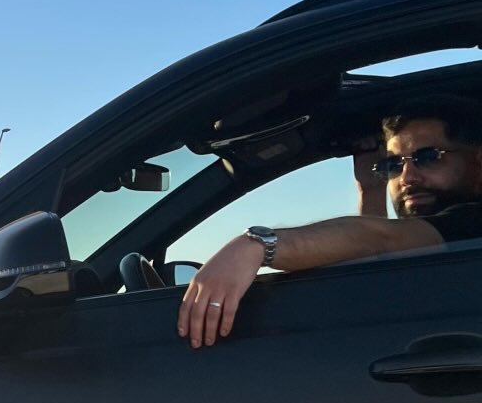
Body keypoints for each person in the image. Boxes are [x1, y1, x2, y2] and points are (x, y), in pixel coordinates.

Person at [179, 95, 482, 349]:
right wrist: (371, 190)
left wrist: (257, 245)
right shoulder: (456, 250)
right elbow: (383, 262)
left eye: (428, 157)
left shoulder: (472, 222)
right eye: (393, 164)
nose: (406, 177)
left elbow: (381, 239)